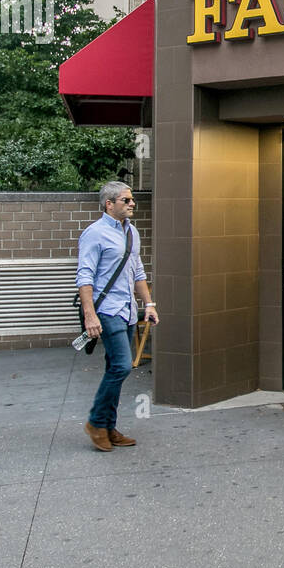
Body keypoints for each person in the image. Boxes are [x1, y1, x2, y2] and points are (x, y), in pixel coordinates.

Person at [76, 181, 159, 452]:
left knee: (116, 367)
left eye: (132, 199)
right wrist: (90, 316)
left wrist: (149, 304)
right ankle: (96, 422)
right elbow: (85, 277)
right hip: (106, 310)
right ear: (109, 204)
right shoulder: (94, 234)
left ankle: (108, 427)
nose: (132, 203)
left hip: (128, 310)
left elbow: (138, 272)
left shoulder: (131, 232)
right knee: (122, 366)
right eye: (126, 200)